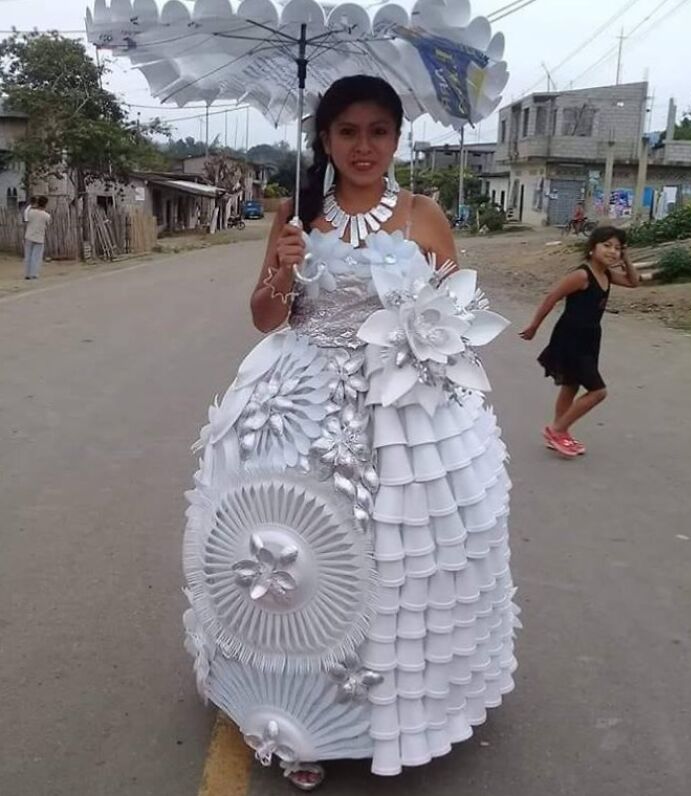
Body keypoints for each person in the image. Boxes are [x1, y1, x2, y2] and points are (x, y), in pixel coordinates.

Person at [183, 76, 519, 790]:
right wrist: (282, 269)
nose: (363, 147)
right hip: (297, 400)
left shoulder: (425, 215)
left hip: (401, 410)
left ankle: (390, 714)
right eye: (347, 131)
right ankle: (286, 708)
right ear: (325, 139)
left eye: (378, 131)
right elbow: (266, 318)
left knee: (402, 553)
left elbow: (455, 319)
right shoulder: (295, 213)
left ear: (396, 138)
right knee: (284, 553)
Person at [520, 226, 639, 457]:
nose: (612, 251)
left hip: (590, 338)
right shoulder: (583, 275)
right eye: (607, 245)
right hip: (571, 337)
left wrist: (626, 259)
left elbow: (633, 282)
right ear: (592, 248)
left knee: (571, 385)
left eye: (617, 248)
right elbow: (552, 297)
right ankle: (556, 430)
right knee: (598, 392)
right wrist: (534, 326)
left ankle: (559, 433)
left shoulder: (606, 274)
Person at [23, 196, 51, 280]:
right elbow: (48, 224)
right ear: (45, 204)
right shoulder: (46, 215)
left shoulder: (31, 212)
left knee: (28, 255)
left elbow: (26, 216)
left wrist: (31, 206)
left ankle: (27, 274)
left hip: (29, 236)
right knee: (36, 256)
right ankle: (34, 274)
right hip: (39, 238)